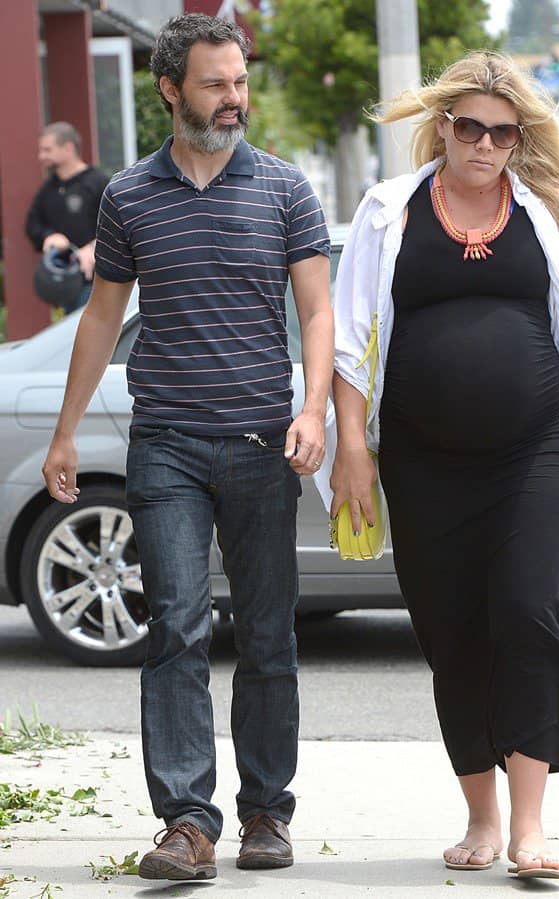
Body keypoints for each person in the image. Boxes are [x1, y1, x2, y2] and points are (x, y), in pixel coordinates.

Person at [41, 13, 333, 881]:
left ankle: (266, 813)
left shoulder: (285, 190)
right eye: (216, 84)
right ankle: (187, 822)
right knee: (172, 626)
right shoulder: (128, 196)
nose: (234, 99)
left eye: (240, 82)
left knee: (269, 632)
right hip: (165, 442)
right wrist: (65, 430)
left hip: (260, 441)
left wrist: (312, 407)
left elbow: (316, 312)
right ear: (171, 89)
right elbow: (101, 319)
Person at [319, 51, 559, 880]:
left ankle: (529, 828)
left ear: (518, 137)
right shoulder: (388, 213)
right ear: (443, 126)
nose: (483, 144)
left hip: (537, 447)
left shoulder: (550, 213)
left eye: (501, 131)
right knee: (453, 633)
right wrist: (352, 448)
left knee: (526, 611)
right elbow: (350, 346)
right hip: (422, 462)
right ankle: (480, 817)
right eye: (468, 127)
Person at [26, 121, 109, 313]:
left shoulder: (98, 183)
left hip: (96, 284)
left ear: (68, 148)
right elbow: (32, 224)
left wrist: (94, 247)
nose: (41, 156)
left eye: (47, 150)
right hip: (66, 286)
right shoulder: (49, 188)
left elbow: (121, 226)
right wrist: (49, 236)